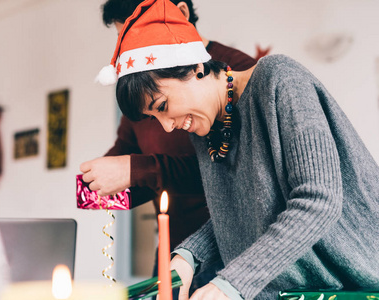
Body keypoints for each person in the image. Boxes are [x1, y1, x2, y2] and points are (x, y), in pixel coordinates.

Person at [96, 0, 379, 299]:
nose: (167, 127)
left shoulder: (277, 79)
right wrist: (189, 255)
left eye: (163, 106)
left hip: (355, 282)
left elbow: (318, 201)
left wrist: (231, 282)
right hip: (295, 288)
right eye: (155, 118)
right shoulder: (207, 128)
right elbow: (243, 210)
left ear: (194, 67)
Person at [80, 0, 256, 295]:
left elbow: (234, 175)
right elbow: (129, 160)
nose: (128, 50)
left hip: (232, 254)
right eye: (122, 39)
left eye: (134, 34)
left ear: (181, 13)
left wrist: (137, 169)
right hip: (174, 253)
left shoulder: (235, 74)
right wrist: (96, 185)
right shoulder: (146, 88)